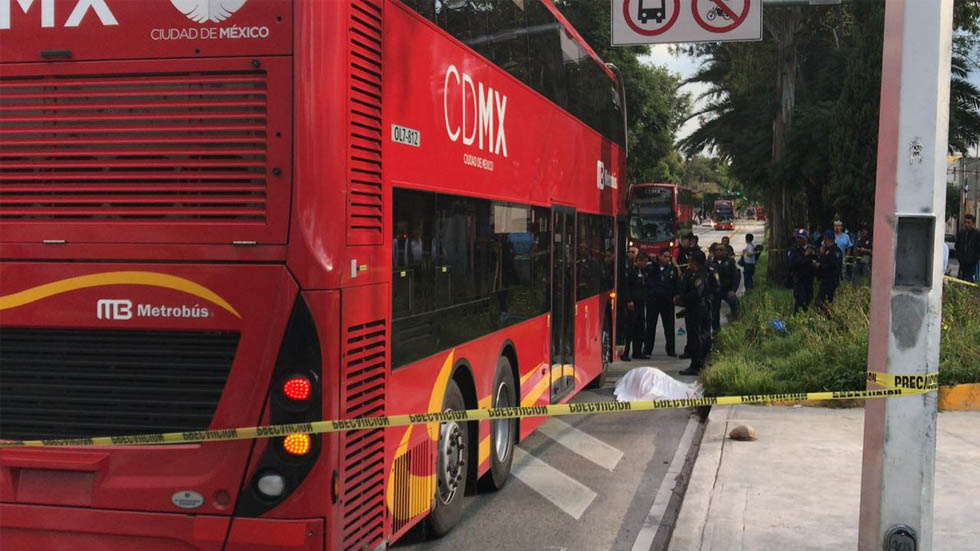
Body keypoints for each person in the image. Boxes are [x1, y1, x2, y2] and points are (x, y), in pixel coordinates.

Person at [677, 250, 713, 376]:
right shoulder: (692, 274)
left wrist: (682, 299)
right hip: (693, 309)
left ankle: (697, 365)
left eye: (691, 261)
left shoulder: (701, 276)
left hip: (699, 310)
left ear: (696, 262)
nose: (689, 263)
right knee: (694, 337)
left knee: (698, 338)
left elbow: (696, 294)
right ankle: (697, 363)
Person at [643, 249, 679, 357]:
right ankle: (647, 349)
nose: (667, 259)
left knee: (669, 327)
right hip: (653, 301)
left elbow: (677, 284)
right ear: (659, 256)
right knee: (650, 326)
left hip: (667, 301)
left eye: (669, 257)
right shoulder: (652, 268)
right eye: (665, 256)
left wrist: (676, 295)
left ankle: (671, 349)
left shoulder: (672, 270)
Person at [622, 253, 651, 361]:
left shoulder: (645, 272)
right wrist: (628, 300)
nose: (644, 264)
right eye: (643, 261)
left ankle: (637, 352)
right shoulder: (631, 272)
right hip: (632, 304)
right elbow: (626, 287)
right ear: (638, 261)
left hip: (641, 303)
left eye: (645, 262)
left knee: (640, 328)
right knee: (630, 329)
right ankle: (625, 352)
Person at [711, 244, 740, 332]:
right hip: (715, 292)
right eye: (717, 249)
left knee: (735, 305)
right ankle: (716, 331)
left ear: (725, 251)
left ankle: (735, 327)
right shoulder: (710, 263)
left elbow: (736, 276)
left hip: (727, 290)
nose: (719, 251)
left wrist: (733, 290)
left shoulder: (730, 262)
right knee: (714, 312)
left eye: (721, 249)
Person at [814, 230, 844, 312]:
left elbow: (832, 265)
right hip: (825, 280)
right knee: (821, 301)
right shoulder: (827, 250)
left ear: (826, 239)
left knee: (822, 301)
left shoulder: (835, 251)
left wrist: (820, 265)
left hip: (830, 280)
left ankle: (830, 315)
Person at [788, 229, 815, 314]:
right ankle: (796, 318)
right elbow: (793, 263)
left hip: (809, 279)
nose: (799, 240)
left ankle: (803, 317)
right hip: (799, 279)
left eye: (801, 238)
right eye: (798, 238)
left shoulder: (811, 248)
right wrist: (805, 256)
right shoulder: (794, 249)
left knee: (808, 298)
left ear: (806, 238)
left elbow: (815, 260)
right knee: (800, 300)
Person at [956, 214, 980, 282]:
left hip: (972, 266)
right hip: (962, 265)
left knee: (971, 284)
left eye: (969, 222)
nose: (966, 224)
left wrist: (975, 259)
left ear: (973, 223)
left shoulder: (977, 234)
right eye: (965, 222)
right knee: (960, 282)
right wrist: (959, 257)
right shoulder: (961, 234)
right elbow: (957, 246)